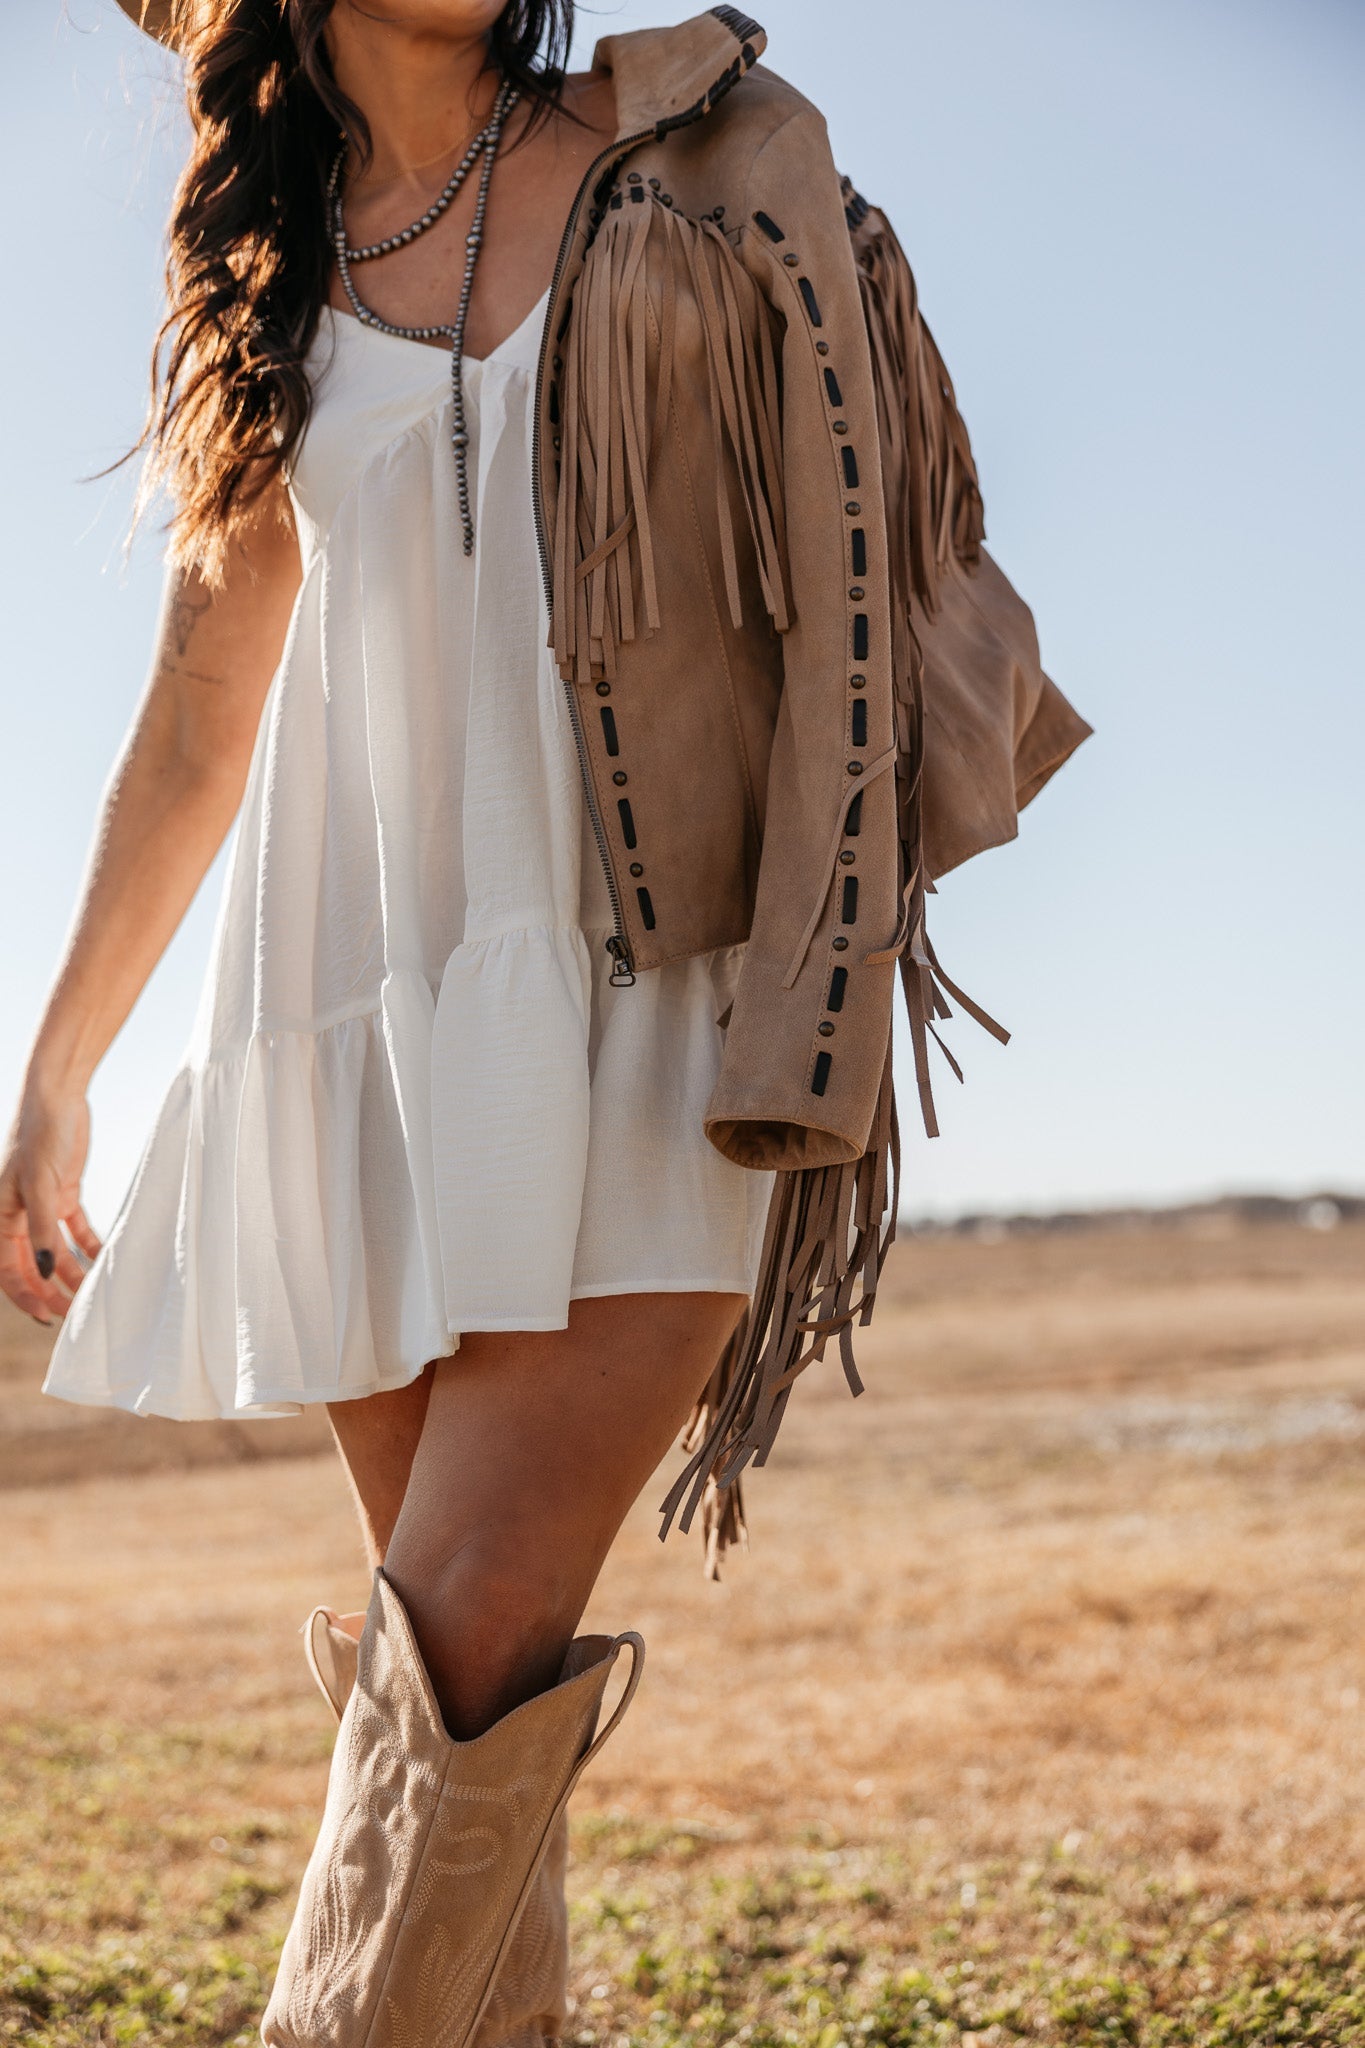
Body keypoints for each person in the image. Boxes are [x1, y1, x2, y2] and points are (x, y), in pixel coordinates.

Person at [1, 1, 1090, 2039]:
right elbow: (196, 722)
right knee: (457, 1719)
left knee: (466, 1632)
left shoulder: (678, 157)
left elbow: (859, 530)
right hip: (358, 1025)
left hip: (656, 996)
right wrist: (57, 1073)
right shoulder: (273, 283)